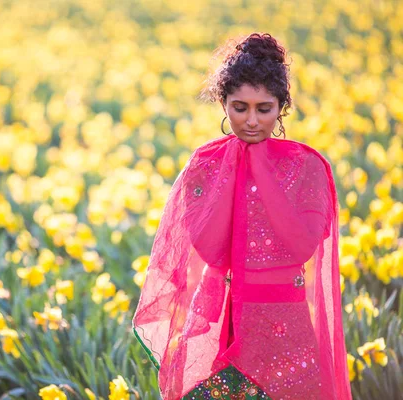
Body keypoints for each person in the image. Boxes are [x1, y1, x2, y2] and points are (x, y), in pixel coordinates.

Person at [131, 32, 352, 400]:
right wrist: (235, 165)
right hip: (221, 328)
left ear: (282, 106)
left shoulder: (307, 167)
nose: (251, 121)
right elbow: (209, 249)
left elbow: (301, 247)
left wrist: (260, 165)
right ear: (223, 103)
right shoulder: (206, 165)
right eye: (240, 107)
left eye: (263, 109)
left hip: (283, 331)